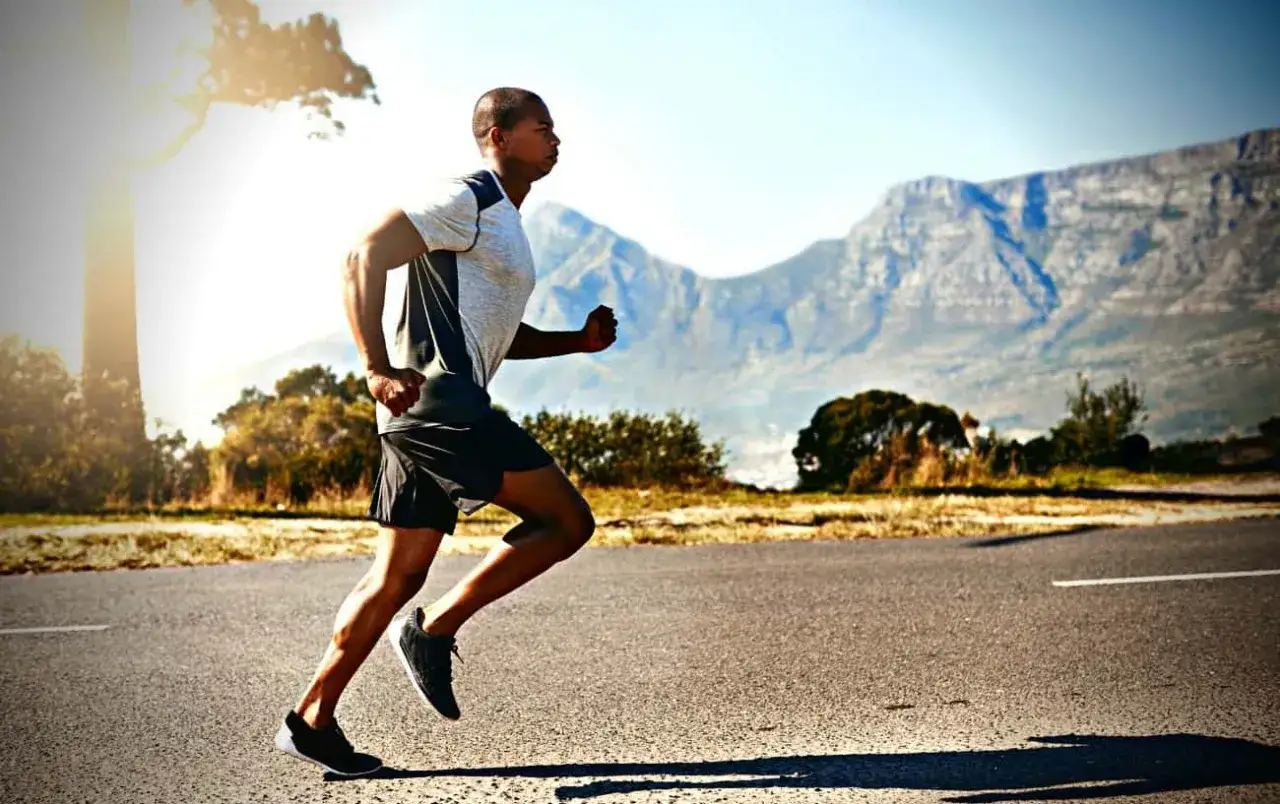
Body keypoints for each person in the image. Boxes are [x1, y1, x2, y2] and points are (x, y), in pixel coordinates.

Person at [273, 87, 618, 778]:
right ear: (499, 136)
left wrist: (574, 342)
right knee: (565, 521)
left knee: (396, 575)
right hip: (444, 407)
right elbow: (362, 255)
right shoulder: (471, 197)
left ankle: (312, 720)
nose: (556, 139)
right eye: (542, 127)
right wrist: (375, 367)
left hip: (417, 417)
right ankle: (432, 630)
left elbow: (496, 332)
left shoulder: (501, 219)